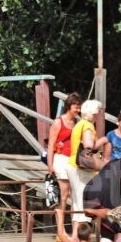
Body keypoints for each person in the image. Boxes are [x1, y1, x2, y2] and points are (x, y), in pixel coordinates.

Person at [67, 99, 103, 237]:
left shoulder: (79, 124)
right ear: (94, 113)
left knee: (77, 202)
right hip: (83, 168)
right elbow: (89, 146)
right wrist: (101, 142)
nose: (99, 114)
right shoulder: (88, 126)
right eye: (98, 112)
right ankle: (83, 238)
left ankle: (75, 236)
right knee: (84, 201)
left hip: (73, 164)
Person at [47, 92, 81, 223]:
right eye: (76, 107)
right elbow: (51, 145)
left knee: (76, 194)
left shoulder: (77, 122)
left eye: (79, 107)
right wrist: (50, 165)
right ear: (69, 106)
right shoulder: (58, 122)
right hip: (61, 158)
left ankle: (75, 228)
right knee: (64, 194)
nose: (78, 110)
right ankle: (60, 228)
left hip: (73, 160)